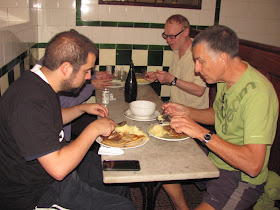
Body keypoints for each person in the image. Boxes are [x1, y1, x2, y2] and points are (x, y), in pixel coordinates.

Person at [0, 31, 135, 209]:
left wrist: (81, 108)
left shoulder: (40, 82)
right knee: (123, 207)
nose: (89, 77)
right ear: (66, 68)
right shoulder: (28, 100)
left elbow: (48, 119)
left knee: (115, 172)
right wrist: (93, 128)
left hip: (53, 165)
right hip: (36, 192)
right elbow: (58, 169)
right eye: (87, 71)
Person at [162, 25, 278, 209]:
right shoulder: (224, 80)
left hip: (240, 177)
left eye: (201, 61)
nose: (197, 69)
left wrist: (201, 133)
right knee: (162, 158)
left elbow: (253, 165)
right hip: (217, 157)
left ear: (223, 58)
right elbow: (218, 115)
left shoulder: (258, 94)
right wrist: (186, 111)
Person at [145, 14, 209, 109]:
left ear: (186, 32)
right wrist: (160, 77)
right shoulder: (176, 51)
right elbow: (176, 82)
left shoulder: (199, 53)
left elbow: (199, 90)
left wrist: (172, 79)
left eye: (171, 36)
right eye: (165, 36)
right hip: (174, 108)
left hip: (193, 115)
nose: (168, 40)